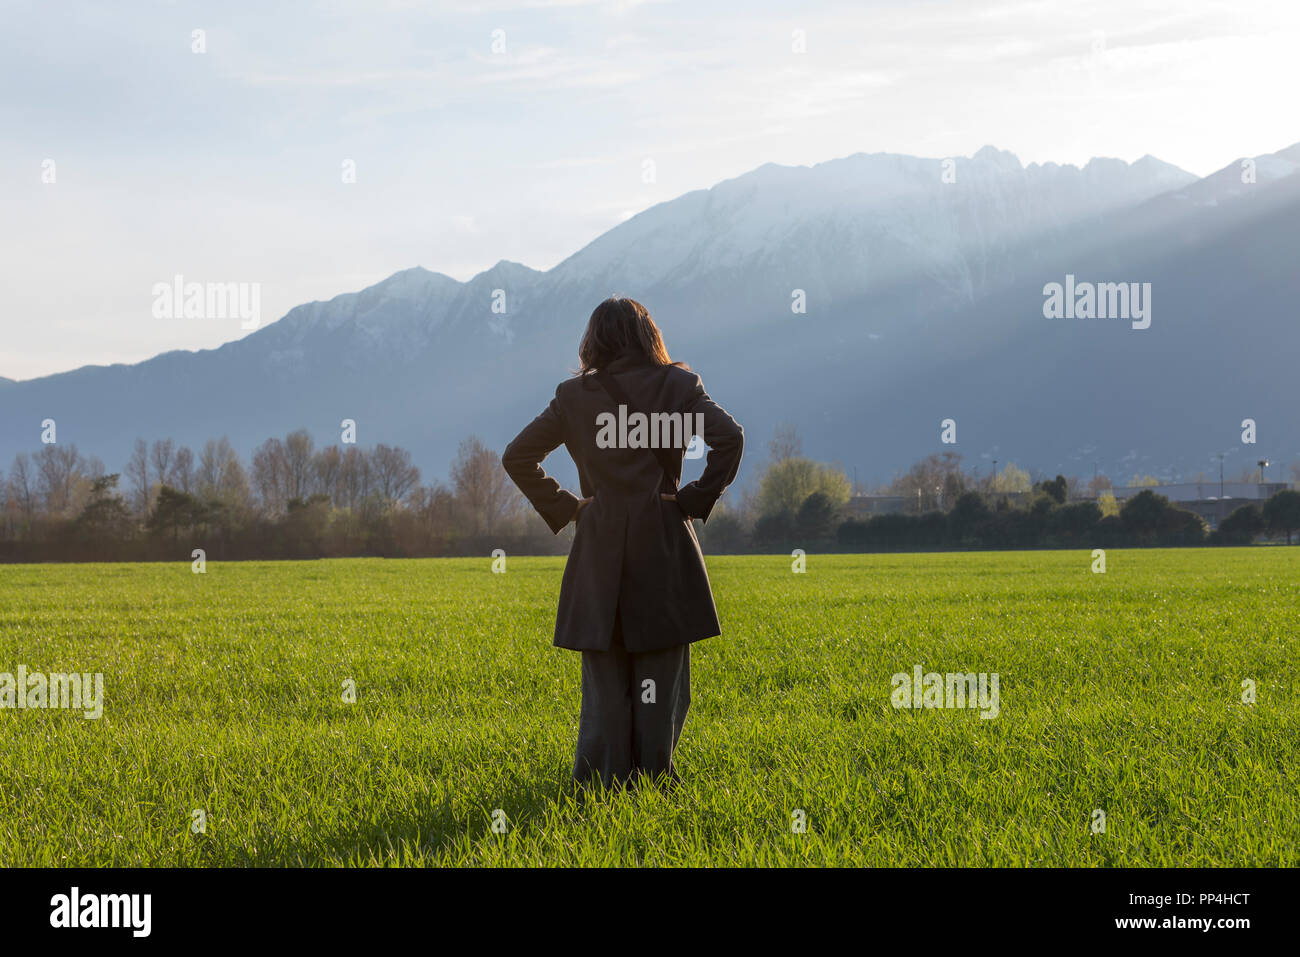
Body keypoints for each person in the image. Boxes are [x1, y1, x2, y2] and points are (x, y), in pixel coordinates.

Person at [502, 297, 744, 789]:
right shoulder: (678, 387)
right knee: (661, 673)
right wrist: (692, 498)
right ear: (647, 334)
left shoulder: (572, 397)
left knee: (606, 680)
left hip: (599, 546)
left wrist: (568, 506)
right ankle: (655, 782)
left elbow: (517, 456)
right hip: (663, 542)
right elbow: (730, 438)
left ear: (593, 341)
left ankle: (598, 784)